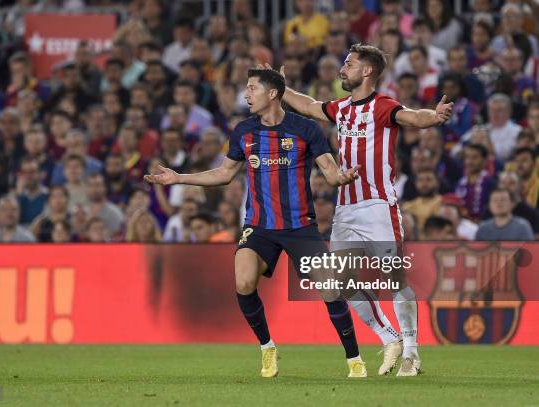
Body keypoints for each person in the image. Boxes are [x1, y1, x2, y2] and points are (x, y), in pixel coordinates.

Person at [145, 68, 366, 378]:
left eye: (251, 88)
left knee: (329, 289)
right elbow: (224, 174)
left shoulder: (305, 129)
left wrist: (342, 176)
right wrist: (179, 178)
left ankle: (354, 359)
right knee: (244, 281)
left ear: (272, 93)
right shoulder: (243, 131)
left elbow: (329, 172)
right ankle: (267, 348)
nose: (245, 94)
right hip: (259, 226)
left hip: (300, 226)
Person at [272, 43, 454, 376]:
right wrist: (281, 89)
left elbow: (412, 117)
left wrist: (434, 117)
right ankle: (389, 336)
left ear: (366, 71)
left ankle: (412, 354)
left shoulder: (383, 106)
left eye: (349, 64)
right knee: (337, 282)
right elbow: (310, 106)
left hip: (378, 206)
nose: (343, 69)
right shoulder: (342, 108)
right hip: (346, 207)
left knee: (395, 279)